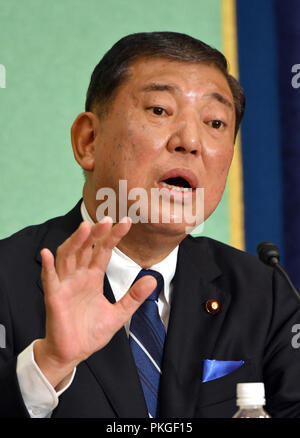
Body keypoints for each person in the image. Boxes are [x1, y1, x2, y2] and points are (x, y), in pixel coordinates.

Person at [0, 31, 300, 419]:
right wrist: (48, 365)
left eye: (215, 122)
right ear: (88, 141)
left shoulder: (264, 293)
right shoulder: (6, 278)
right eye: (159, 110)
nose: (190, 141)